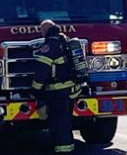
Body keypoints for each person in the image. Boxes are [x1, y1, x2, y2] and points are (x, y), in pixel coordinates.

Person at [31, 20, 81, 154]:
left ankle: (63, 150)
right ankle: (67, 147)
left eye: (42, 31)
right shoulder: (65, 42)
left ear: (45, 31)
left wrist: (35, 90)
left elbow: (41, 71)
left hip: (57, 92)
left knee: (58, 123)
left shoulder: (48, 47)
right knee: (66, 121)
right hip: (71, 91)